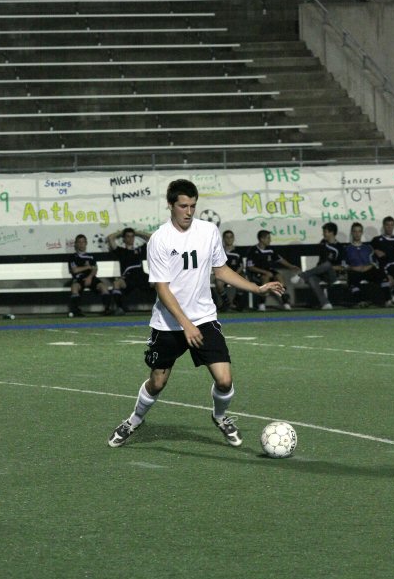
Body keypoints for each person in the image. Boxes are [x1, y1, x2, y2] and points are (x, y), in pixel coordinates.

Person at [108, 178, 284, 449]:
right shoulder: (159, 240)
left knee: (225, 380)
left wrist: (256, 288)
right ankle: (134, 420)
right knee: (157, 382)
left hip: (203, 318)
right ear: (170, 205)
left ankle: (220, 416)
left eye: (192, 206)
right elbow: (162, 290)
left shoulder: (208, 231)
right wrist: (185, 325)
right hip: (169, 324)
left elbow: (221, 269)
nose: (188, 212)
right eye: (183, 206)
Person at [291, 222, 345, 310]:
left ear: (331, 233)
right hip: (320, 273)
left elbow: (342, 267)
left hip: (333, 275)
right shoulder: (323, 243)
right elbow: (321, 263)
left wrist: (329, 267)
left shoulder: (340, 248)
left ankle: (301, 275)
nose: (323, 234)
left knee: (327, 265)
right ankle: (325, 304)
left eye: (325, 232)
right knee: (311, 278)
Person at [246, 229, 299, 311]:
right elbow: (250, 267)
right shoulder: (253, 250)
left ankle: (285, 302)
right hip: (257, 273)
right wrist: (265, 272)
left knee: (279, 276)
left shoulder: (270, 249)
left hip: (269, 271)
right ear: (262, 239)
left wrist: (291, 266)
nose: (270, 240)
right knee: (265, 278)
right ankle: (261, 304)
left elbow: (279, 259)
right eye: (268, 238)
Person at [345, 222, 391, 307]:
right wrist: (353, 268)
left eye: (359, 231)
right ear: (352, 232)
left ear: (362, 233)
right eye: (355, 231)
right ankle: (361, 301)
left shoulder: (368, 248)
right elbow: (344, 264)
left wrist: (366, 267)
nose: (357, 234)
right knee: (351, 280)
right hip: (355, 271)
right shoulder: (347, 248)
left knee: (382, 275)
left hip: (368, 270)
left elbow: (375, 263)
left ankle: (388, 300)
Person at [107, 226, 152, 313]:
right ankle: (120, 308)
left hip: (141, 276)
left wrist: (137, 232)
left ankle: (164, 308)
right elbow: (110, 238)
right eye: (128, 236)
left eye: (132, 236)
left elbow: (151, 237)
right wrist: (122, 232)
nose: (131, 238)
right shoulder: (120, 251)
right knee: (116, 283)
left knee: (159, 282)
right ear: (124, 238)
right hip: (128, 277)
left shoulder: (139, 250)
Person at [68, 234, 112, 317]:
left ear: (86, 243)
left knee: (103, 287)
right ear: (76, 244)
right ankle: (76, 310)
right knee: (74, 287)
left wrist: (89, 277)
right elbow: (75, 270)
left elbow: (95, 269)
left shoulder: (91, 256)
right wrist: (88, 266)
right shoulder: (72, 257)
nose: (81, 244)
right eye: (79, 242)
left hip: (91, 277)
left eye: (83, 242)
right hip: (79, 278)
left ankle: (107, 309)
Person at [215, 229, 246, 311]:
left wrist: (234, 275)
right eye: (227, 237)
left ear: (233, 238)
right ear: (223, 239)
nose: (229, 239)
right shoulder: (219, 251)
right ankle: (226, 303)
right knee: (218, 283)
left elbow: (241, 266)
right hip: (223, 275)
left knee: (244, 281)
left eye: (231, 237)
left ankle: (236, 303)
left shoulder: (238, 251)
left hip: (236, 274)